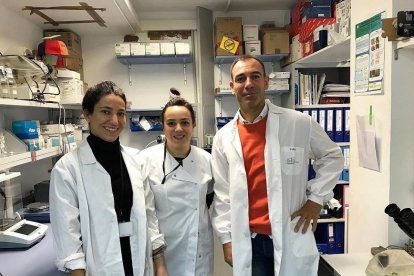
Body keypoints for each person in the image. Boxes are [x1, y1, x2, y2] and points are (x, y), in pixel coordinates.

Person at [211, 55, 344, 276]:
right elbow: (223, 194)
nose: (248, 84)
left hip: (290, 233)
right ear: (232, 87)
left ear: (266, 81)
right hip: (249, 241)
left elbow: (332, 156)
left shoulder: (298, 123)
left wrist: (316, 199)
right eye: (241, 78)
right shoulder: (223, 138)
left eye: (255, 76)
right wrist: (226, 239)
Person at [49, 81, 168, 276]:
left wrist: (160, 264)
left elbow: (149, 216)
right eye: (106, 112)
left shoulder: (136, 160)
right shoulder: (67, 169)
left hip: (138, 260)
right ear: (87, 115)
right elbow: (68, 240)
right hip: (99, 267)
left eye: (120, 113)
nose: (114, 120)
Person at [137, 97, 214, 276]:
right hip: (162, 253)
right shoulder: (145, 161)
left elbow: (211, 196)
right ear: (163, 127)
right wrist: (158, 258)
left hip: (199, 252)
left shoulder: (207, 160)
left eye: (185, 123)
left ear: (193, 125)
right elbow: (146, 214)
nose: (178, 129)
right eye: (171, 123)